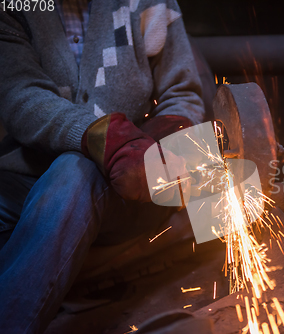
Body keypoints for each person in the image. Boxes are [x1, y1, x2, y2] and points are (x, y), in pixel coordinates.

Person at [0, 0, 204, 332]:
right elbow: (22, 97)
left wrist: (148, 146)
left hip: (127, 187)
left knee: (73, 171)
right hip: (24, 181)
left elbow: (182, 94)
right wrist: (106, 138)